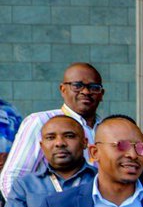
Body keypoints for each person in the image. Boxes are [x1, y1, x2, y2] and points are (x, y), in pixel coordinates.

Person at [1, 63, 103, 199]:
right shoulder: (41, 121)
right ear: (63, 89)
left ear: (101, 94)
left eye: (93, 87)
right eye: (77, 86)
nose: (85, 92)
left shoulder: (106, 129)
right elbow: (13, 177)